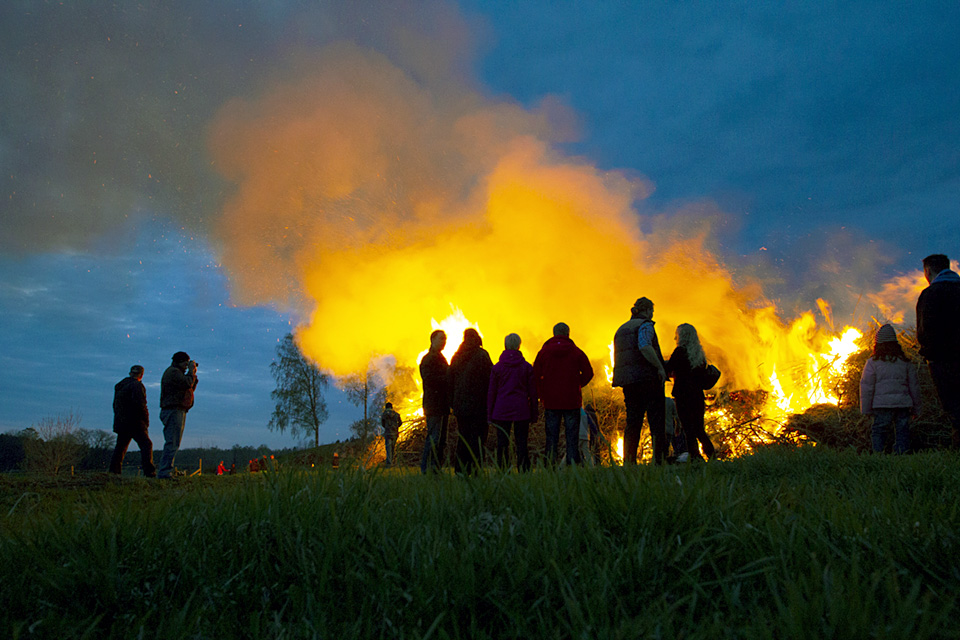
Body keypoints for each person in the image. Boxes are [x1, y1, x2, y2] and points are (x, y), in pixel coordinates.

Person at [612, 298, 668, 465]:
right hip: (647, 380)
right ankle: (659, 460)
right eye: (652, 311)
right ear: (648, 310)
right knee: (657, 422)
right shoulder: (645, 325)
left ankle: (629, 462)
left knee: (633, 422)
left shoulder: (621, 329)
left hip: (629, 382)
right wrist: (659, 367)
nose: (652, 314)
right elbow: (644, 346)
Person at [533, 323, 594, 465]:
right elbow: (588, 373)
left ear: (554, 334)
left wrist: (543, 393)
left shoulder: (543, 352)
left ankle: (550, 467)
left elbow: (535, 376)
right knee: (572, 437)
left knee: (551, 437)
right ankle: (572, 467)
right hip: (571, 401)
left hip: (551, 402)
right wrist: (577, 385)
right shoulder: (576, 351)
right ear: (568, 333)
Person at [916, 253, 960, 448]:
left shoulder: (930, 294)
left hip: (943, 360)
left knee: (954, 406)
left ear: (928, 271)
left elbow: (925, 330)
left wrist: (928, 352)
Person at [859, 324, 921, 453]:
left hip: (882, 406)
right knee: (903, 431)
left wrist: (866, 410)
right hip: (902, 405)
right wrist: (916, 409)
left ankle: (878, 454)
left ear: (877, 344)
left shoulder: (872, 362)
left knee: (879, 431)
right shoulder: (905, 362)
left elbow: (866, 387)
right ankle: (901, 454)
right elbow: (914, 386)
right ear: (895, 343)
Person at [487, 333, 538, 472]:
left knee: (502, 442)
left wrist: (489, 415)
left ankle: (503, 469)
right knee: (522, 442)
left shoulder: (497, 368)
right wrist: (534, 414)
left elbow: (491, 392)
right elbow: (533, 393)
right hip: (522, 410)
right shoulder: (526, 367)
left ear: (505, 345)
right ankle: (524, 469)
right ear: (518, 345)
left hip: (501, 410)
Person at [666, 323, 716, 461]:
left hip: (683, 396)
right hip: (698, 397)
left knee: (688, 429)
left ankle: (695, 457)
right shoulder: (699, 354)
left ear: (681, 336)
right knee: (699, 429)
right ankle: (712, 456)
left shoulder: (679, 352)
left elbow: (669, 368)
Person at [449, 328, 493, 475]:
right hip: (478, 406)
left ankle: (460, 470)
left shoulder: (457, 356)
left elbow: (450, 380)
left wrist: (452, 402)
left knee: (463, 438)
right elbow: (490, 380)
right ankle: (475, 470)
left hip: (460, 407)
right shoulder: (482, 355)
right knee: (478, 439)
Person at [109, 365, 156, 477]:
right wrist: (145, 421)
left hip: (122, 422)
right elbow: (141, 405)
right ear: (141, 375)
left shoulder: (120, 386)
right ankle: (149, 472)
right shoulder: (137, 386)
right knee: (146, 445)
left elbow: (115, 405)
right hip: (135, 423)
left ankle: (114, 472)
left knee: (120, 447)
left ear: (130, 373)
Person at [157, 351, 198, 479]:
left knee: (173, 442)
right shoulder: (173, 372)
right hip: (173, 410)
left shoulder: (176, 373)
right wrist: (191, 372)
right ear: (180, 362)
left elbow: (189, 387)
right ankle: (164, 472)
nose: (187, 366)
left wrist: (192, 374)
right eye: (186, 363)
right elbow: (187, 383)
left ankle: (166, 470)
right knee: (172, 442)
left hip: (177, 410)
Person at [420, 330, 450, 474]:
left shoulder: (439, 358)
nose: (444, 341)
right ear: (432, 339)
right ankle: (426, 468)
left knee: (440, 440)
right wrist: (447, 378)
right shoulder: (429, 359)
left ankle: (435, 468)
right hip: (434, 405)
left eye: (445, 339)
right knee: (433, 438)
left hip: (441, 405)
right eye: (441, 339)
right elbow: (429, 379)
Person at [664, 396, 689, 463]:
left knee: (661, 449)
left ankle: (661, 463)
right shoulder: (669, 401)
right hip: (669, 430)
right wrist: (678, 425)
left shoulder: (653, 402)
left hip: (660, 431)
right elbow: (676, 416)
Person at [380, 401, 402, 467]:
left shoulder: (384, 414)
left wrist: (387, 427)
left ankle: (389, 464)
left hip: (388, 433)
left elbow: (383, 424)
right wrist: (396, 427)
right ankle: (392, 461)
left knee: (388, 449)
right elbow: (400, 423)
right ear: (392, 407)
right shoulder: (396, 414)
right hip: (395, 433)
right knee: (393, 448)